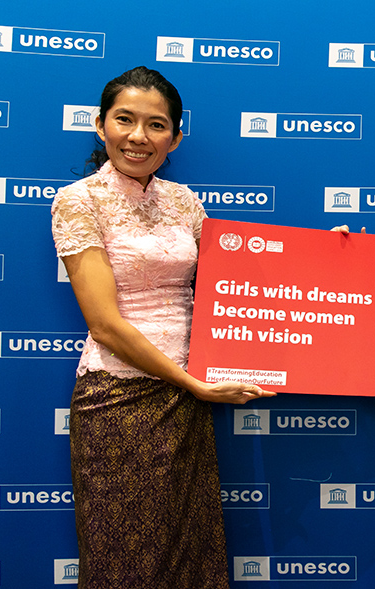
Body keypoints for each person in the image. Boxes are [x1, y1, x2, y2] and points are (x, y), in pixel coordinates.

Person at [51, 66, 274, 589]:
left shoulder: (184, 201)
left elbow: (247, 279)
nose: (138, 136)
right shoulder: (78, 200)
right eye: (124, 120)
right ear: (100, 124)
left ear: (175, 136)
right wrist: (191, 383)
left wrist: (334, 259)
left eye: (156, 124)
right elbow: (104, 325)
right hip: (119, 399)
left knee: (189, 557)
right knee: (126, 563)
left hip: (188, 399)